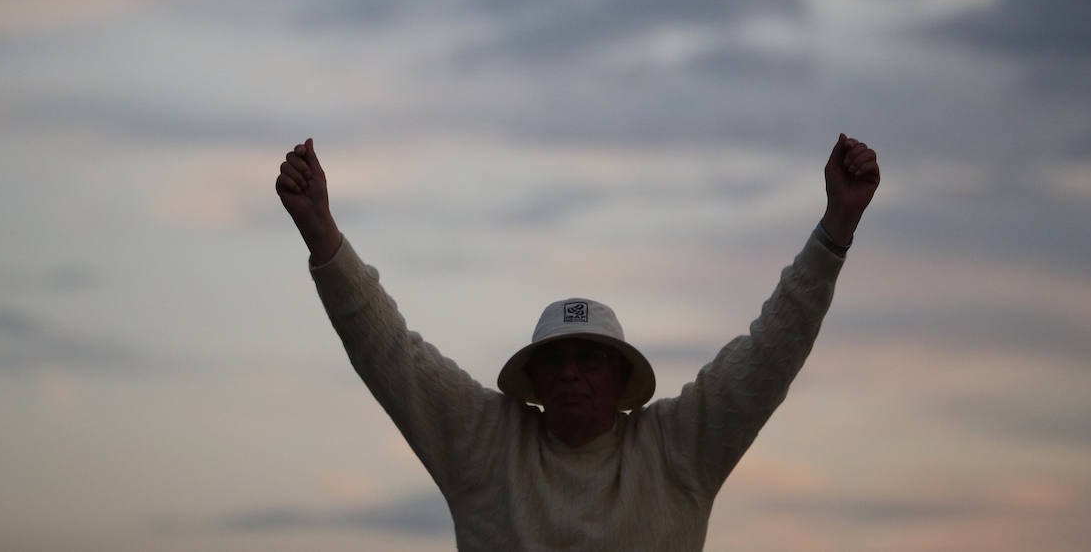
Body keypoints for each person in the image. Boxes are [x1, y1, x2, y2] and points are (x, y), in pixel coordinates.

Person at [276, 133, 879, 551]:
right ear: (532, 381)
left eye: (589, 359)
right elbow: (387, 349)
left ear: (623, 381)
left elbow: (771, 349)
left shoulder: (679, 451)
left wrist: (838, 227)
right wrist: (319, 228)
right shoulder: (484, 445)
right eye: (556, 360)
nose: (570, 373)